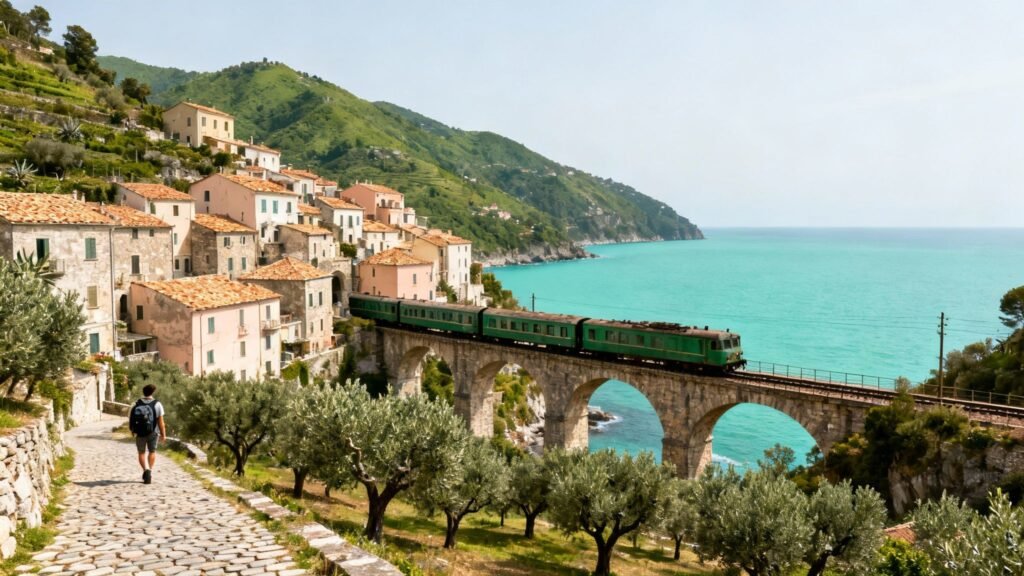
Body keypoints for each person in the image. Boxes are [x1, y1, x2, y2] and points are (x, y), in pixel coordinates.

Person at [130, 384, 166, 484]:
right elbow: (161, 422)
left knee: (141, 453)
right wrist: (163, 434)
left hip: (139, 432)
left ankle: (146, 470)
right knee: (152, 451)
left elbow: (131, 418)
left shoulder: (136, 403)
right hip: (153, 432)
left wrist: (132, 430)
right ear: (152, 392)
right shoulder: (157, 404)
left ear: (143, 392)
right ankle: (149, 471)